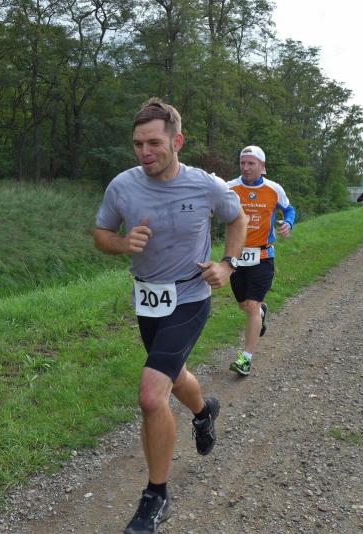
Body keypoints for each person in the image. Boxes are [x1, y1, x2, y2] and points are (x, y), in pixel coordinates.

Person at [94, 98, 246, 534]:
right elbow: (101, 234)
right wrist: (122, 244)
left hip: (190, 297)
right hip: (148, 299)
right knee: (174, 375)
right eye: (138, 144)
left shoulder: (206, 185)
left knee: (150, 393)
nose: (145, 152)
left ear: (177, 141)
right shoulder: (122, 186)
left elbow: (237, 220)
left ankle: (156, 497)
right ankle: (204, 411)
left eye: (154, 143)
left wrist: (227, 265)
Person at [226, 146, 295, 376]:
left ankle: (246, 359)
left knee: (252, 305)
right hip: (236, 256)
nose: (245, 167)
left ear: (262, 166)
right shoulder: (229, 188)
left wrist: (288, 223)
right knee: (244, 305)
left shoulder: (273, 189)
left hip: (263, 256)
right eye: (242, 163)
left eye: (251, 163)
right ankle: (262, 313)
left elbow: (289, 209)